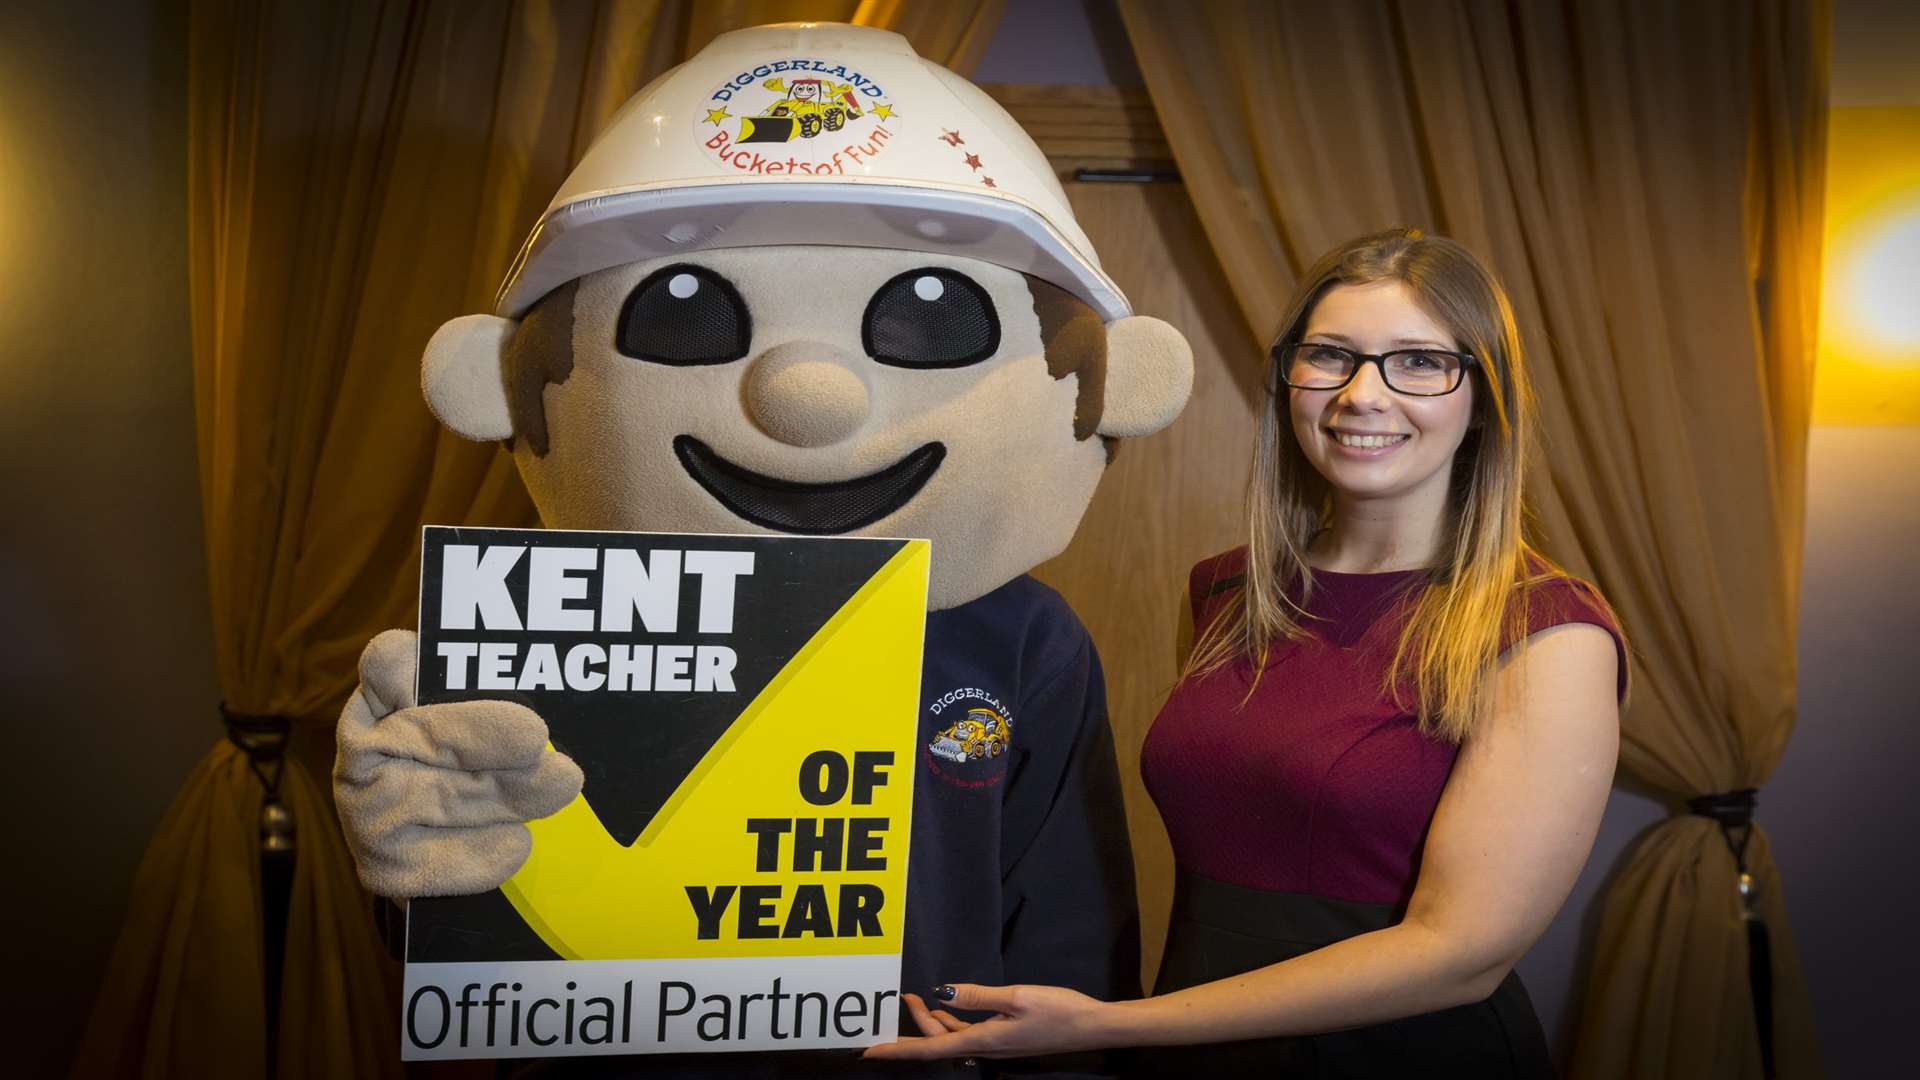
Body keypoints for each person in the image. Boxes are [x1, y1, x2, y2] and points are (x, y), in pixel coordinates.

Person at [864, 228, 1628, 1076]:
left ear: (1482, 398)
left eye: (1417, 362)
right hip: (1193, 1049)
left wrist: (1115, 1028)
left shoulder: (1547, 632)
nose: (1362, 395)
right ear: (1289, 380)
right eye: (1331, 356)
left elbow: (1460, 952)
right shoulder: (1228, 595)